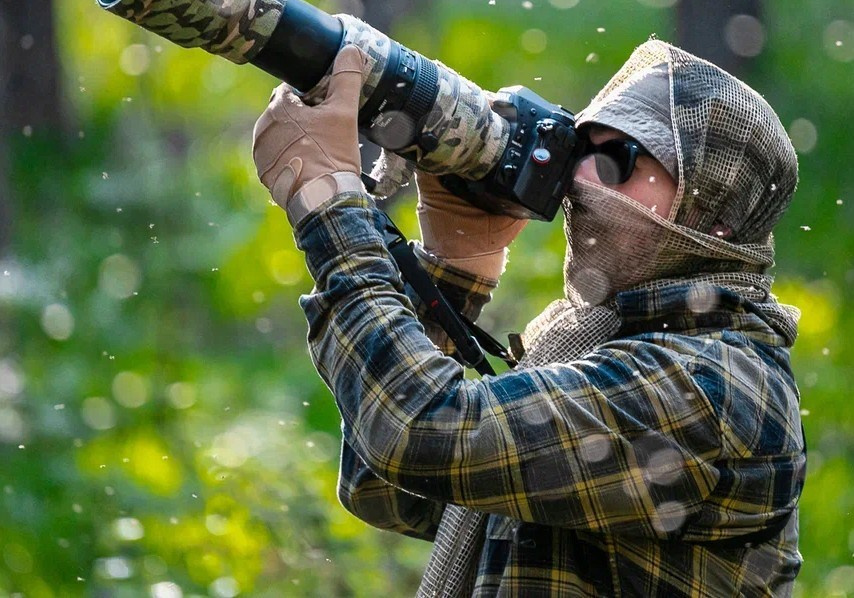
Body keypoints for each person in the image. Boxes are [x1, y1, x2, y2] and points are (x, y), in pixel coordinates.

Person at [252, 38, 805, 597]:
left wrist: (330, 207)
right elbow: (389, 490)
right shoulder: (591, 340)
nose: (580, 179)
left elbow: (416, 431)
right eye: (581, 147)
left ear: (713, 216)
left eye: (619, 160)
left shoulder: (716, 385)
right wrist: (455, 272)